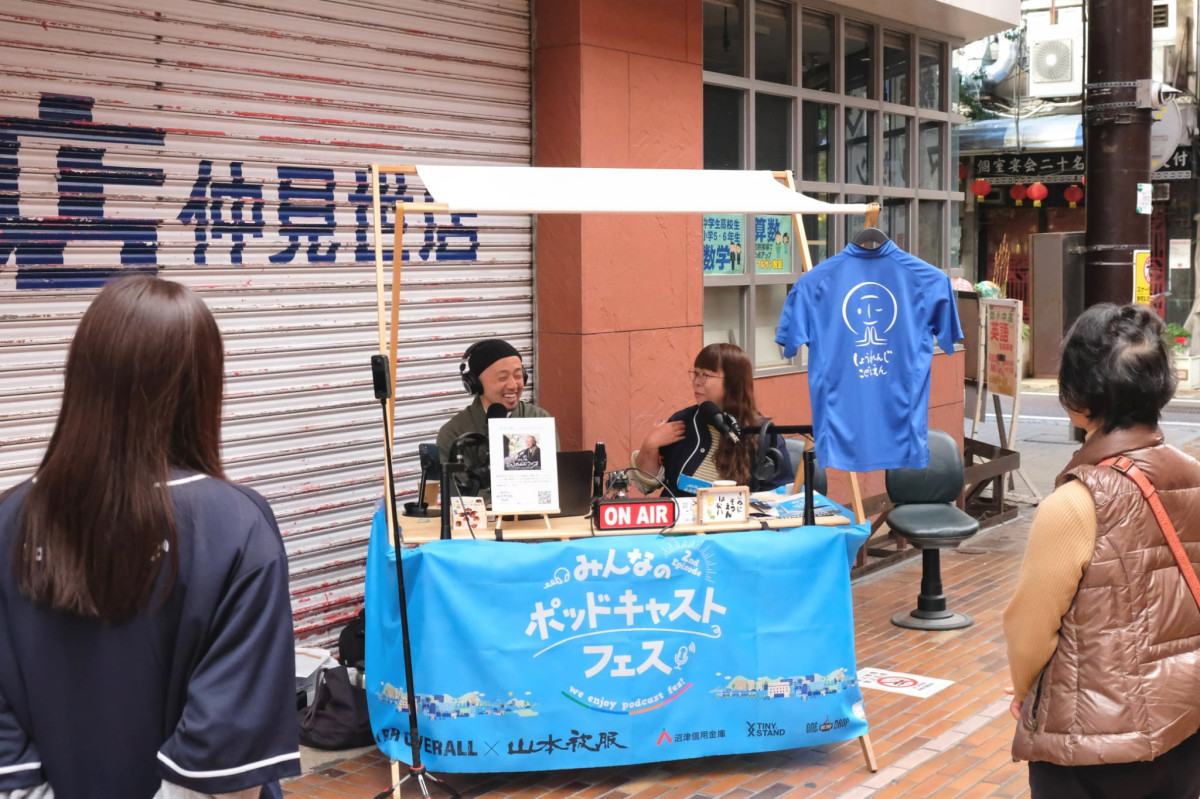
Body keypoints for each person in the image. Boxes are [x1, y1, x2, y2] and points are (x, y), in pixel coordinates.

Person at [0, 276, 300, 799]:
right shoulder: (236, 525)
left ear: (82, 376)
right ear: (201, 387)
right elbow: (225, 753)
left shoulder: (10, 517)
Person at [1003, 303, 1200, 799]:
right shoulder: (1194, 476)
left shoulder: (1076, 502)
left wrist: (1029, 693)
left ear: (1076, 397)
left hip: (1091, 744)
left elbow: (1030, 628)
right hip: (1185, 722)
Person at [632, 343, 792, 495]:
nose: (696, 382)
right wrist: (650, 445)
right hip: (681, 514)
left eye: (705, 375)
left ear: (732, 382)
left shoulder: (762, 434)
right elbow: (646, 485)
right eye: (695, 374)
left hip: (737, 515)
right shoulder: (682, 422)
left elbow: (781, 495)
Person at [436, 339, 551, 502]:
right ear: (475, 384)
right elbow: (460, 499)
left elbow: (553, 485)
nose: (513, 385)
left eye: (518, 376)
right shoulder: (454, 432)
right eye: (502, 378)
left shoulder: (539, 419)